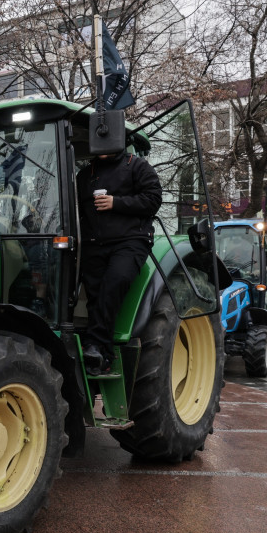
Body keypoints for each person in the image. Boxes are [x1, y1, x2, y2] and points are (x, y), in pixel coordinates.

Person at [76, 150, 162, 375]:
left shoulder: (138, 166)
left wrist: (116, 202)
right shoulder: (85, 175)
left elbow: (153, 199)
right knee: (94, 295)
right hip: (93, 243)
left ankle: (95, 346)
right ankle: (100, 354)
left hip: (130, 241)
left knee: (115, 281)